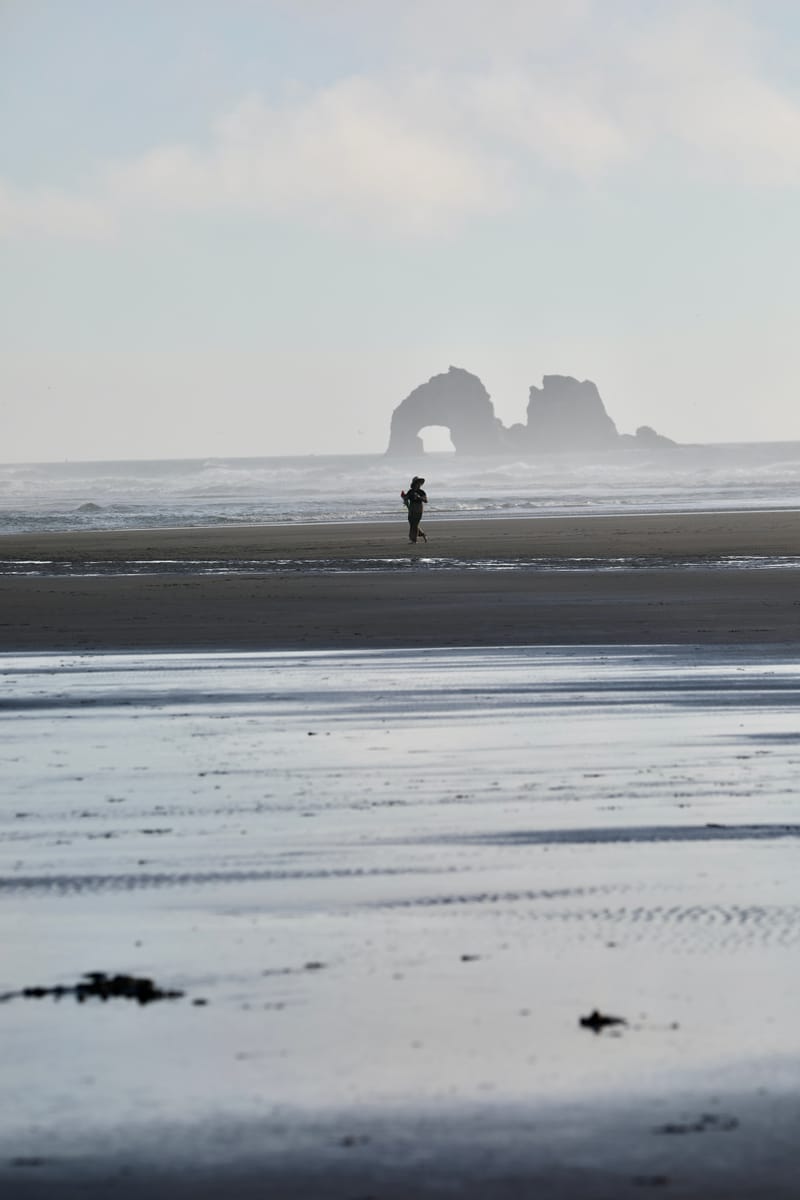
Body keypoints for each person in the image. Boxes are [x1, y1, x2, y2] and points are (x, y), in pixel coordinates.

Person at [401, 476, 428, 544]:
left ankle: (414, 540)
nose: (418, 485)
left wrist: (419, 497)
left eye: (419, 483)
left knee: (415, 525)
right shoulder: (410, 491)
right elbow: (406, 498)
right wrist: (403, 496)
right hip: (411, 508)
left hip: (418, 509)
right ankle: (422, 534)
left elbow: (426, 500)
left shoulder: (421, 492)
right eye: (417, 483)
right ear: (414, 484)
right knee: (412, 524)